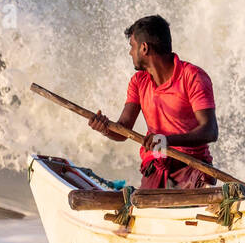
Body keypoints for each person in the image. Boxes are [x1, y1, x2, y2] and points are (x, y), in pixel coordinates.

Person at [88, 15, 219, 189]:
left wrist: (168, 141)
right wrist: (105, 128)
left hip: (191, 166)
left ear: (144, 48)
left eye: (132, 47)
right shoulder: (138, 81)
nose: (130, 53)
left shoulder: (193, 76)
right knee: (145, 204)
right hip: (155, 166)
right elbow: (123, 130)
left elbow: (210, 131)